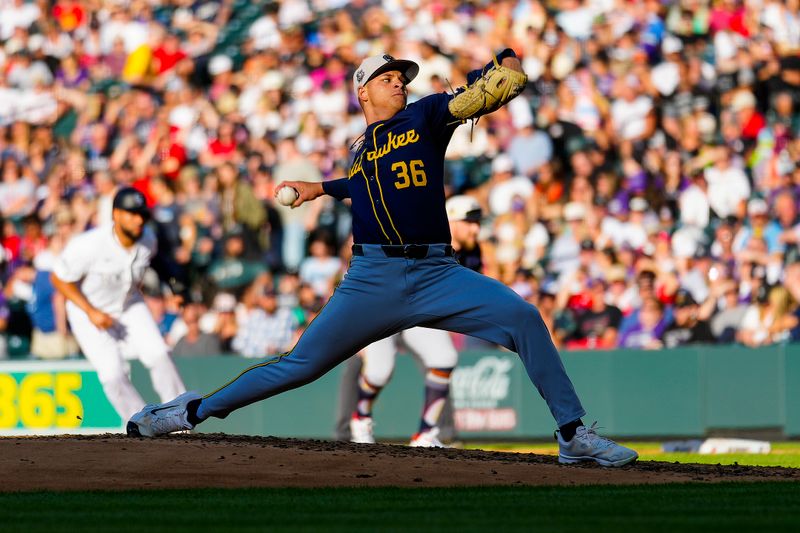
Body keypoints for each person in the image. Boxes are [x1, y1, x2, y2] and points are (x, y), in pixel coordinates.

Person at [128, 51, 637, 467]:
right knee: (299, 366)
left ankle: (572, 433)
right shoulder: (362, 145)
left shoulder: (427, 115)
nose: (399, 83)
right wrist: (320, 189)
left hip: (439, 272)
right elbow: (366, 183)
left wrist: (504, 63)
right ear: (362, 91)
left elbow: (498, 87)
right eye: (387, 77)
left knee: (524, 318)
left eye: (402, 77)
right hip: (373, 277)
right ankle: (189, 410)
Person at [344, 195, 483, 447]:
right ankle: (360, 417)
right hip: (382, 304)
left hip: (417, 309)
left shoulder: (473, 252)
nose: (476, 228)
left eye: (477, 222)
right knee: (379, 371)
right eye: (469, 221)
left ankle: (425, 434)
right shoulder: (427, 234)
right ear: (452, 221)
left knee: (444, 358)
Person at [51, 187, 187, 421]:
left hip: (129, 304)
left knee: (159, 354)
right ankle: (142, 422)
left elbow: (158, 261)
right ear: (115, 214)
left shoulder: (148, 238)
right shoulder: (89, 244)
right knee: (112, 374)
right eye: (131, 213)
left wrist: (173, 287)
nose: (138, 220)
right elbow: (60, 278)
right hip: (88, 311)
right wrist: (91, 311)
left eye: (142, 214)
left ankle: (180, 414)